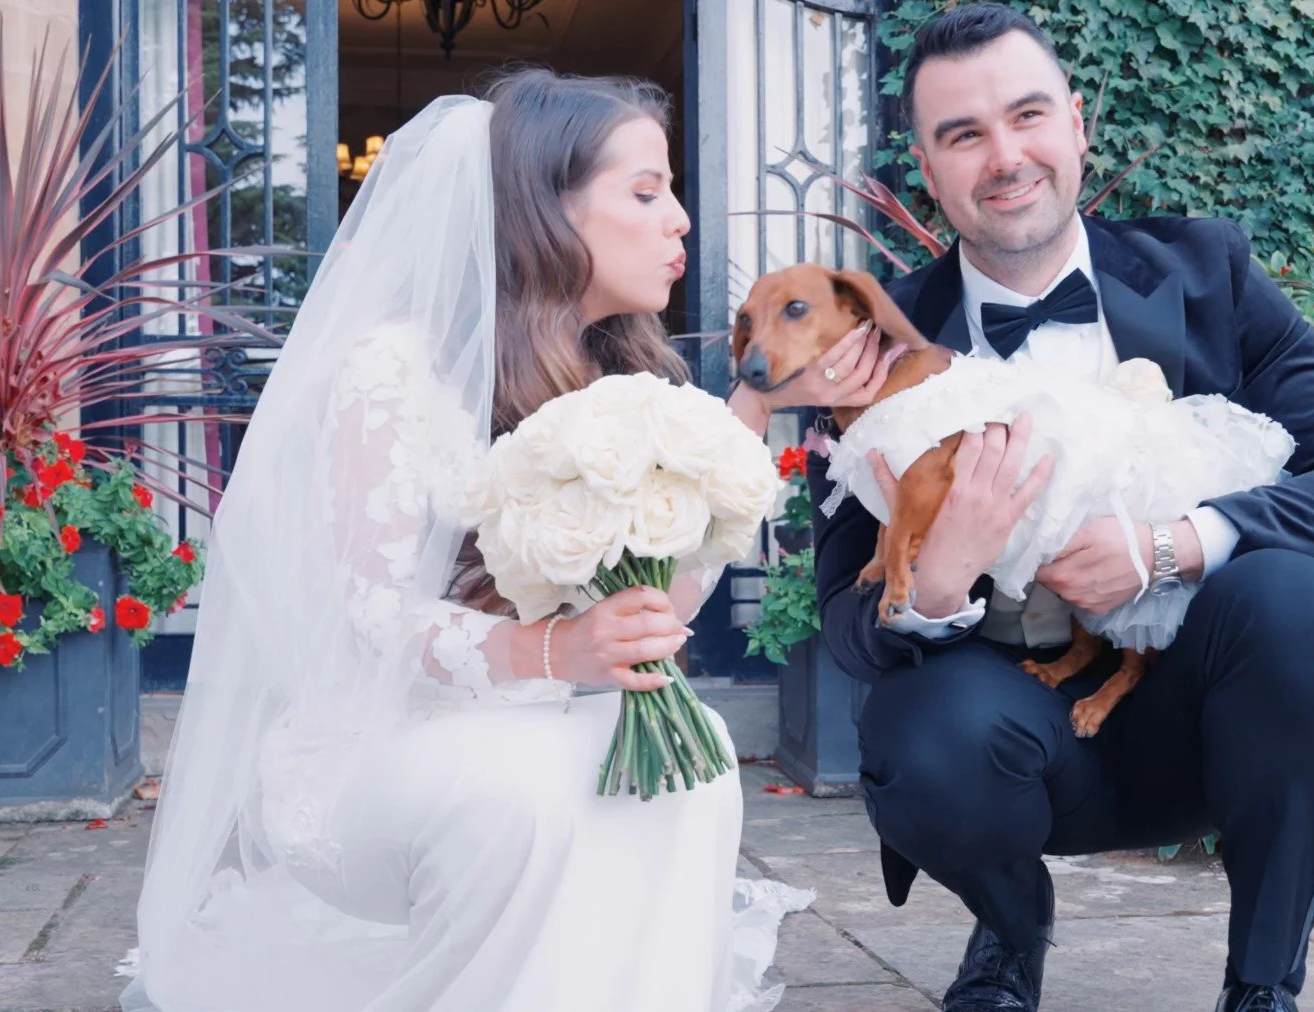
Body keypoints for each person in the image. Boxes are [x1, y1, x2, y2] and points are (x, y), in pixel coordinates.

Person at [783, 7, 1314, 1012]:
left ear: (1077, 125)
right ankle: (1009, 934)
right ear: (928, 168)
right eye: (964, 134)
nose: (1006, 157)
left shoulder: (1209, 274)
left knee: (1300, 604)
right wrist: (936, 582)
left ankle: (1263, 984)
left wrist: (1172, 544)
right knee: (922, 732)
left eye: (1027, 115)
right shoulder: (871, 342)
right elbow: (842, 621)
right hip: (1006, 726)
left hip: (1211, 712)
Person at [123, 69, 809, 1012]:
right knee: (521, 791)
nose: (681, 219)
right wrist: (554, 649)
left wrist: (723, 485)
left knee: (702, 767)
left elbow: (659, 615)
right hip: (375, 742)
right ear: (548, 211)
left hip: (539, 719)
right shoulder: (396, 363)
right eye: (647, 192)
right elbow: (369, 611)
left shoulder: (629, 380)